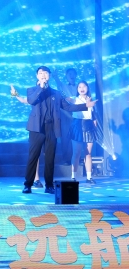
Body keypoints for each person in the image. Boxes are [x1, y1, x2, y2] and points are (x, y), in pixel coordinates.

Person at [22, 66, 96, 194]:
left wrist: (85, 105)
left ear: (49, 76)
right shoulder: (32, 90)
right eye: (41, 73)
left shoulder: (56, 93)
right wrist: (40, 87)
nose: (43, 75)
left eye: (46, 73)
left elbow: (68, 107)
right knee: (33, 156)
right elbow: (32, 100)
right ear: (37, 76)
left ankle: (49, 185)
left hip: (51, 128)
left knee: (50, 157)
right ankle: (28, 184)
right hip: (36, 128)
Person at [11, 84, 43, 188]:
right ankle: (36, 179)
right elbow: (25, 100)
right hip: (36, 126)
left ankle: (49, 183)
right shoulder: (34, 94)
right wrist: (16, 94)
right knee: (35, 153)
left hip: (48, 126)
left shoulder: (51, 93)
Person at [69, 81, 98, 184]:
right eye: (79, 87)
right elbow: (68, 101)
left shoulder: (91, 99)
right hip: (77, 125)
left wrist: (94, 122)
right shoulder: (74, 99)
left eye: (84, 86)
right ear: (77, 89)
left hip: (88, 125)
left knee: (88, 153)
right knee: (76, 152)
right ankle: (73, 176)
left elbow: (93, 115)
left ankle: (89, 177)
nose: (82, 89)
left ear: (87, 88)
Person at [52, 68, 78, 165]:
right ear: (66, 76)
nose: (71, 75)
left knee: (77, 136)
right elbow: (59, 84)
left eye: (73, 74)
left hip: (78, 113)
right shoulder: (64, 86)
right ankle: (66, 159)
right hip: (66, 114)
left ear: (76, 75)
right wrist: (55, 77)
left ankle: (77, 158)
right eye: (69, 74)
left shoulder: (79, 87)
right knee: (66, 136)